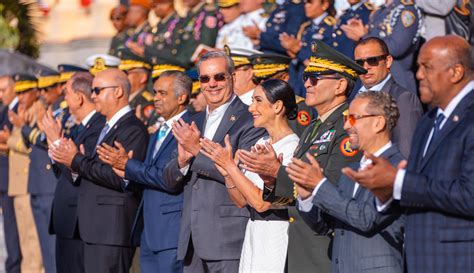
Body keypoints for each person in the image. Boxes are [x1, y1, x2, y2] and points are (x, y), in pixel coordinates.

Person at [342, 35, 474, 273]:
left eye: (427, 67)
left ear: (456, 72)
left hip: (458, 258)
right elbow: (414, 185)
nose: (419, 75)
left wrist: (398, 181)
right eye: (419, 67)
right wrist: (385, 191)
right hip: (419, 257)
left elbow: (470, 194)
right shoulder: (429, 120)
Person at [238, 40, 367, 273]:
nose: (306, 83)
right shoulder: (313, 127)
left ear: (339, 86)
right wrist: (270, 181)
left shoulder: (347, 127)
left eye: (316, 78)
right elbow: (290, 196)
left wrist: (276, 173)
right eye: (307, 76)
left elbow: (331, 188)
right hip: (297, 245)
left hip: (324, 246)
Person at [163, 51, 266, 273]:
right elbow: (170, 178)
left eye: (219, 77)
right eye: (204, 78)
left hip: (227, 237)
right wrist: (182, 162)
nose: (212, 84)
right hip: (192, 240)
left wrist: (195, 151)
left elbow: (241, 177)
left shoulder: (250, 120)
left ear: (232, 77)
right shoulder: (193, 119)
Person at [49, 68, 149, 273]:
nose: (93, 96)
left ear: (118, 92)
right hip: (95, 229)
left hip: (110, 230)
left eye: (97, 90)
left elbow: (120, 177)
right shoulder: (109, 126)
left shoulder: (132, 128)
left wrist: (76, 160)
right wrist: (74, 160)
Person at [293, 91, 404, 273]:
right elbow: (326, 225)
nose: (346, 126)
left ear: (378, 122)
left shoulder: (396, 167)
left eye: (353, 119)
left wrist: (319, 185)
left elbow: (366, 218)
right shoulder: (351, 170)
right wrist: (306, 197)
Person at [96, 71, 192, 273]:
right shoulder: (159, 131)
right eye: (155, 92)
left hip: (171, 232)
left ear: (181, 97)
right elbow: (147, 175)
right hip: (149, 232)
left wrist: (128, 165)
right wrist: (126, 174)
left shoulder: (189, 129)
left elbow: (169, 178)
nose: (156, 98)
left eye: (163, 93)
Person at [200, 79, 299, 273]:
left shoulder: (292, 147)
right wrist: (228, 173)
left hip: (275, 234)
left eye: (258, 101)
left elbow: (262, 203)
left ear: (277, 106)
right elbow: (240, 201)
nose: (251, 107)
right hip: (253, 232)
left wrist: (231, 167)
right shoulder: (261, 143)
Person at [44, 72, 105, 273]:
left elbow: (79, 170)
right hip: (68, 220)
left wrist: (55, 140)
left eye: (67, 93)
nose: (64, 99)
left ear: (79, 97)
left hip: (79, 221)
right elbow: (61, 171)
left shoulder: (97, 126)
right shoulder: (80, 127)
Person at [353, 37, 423, 157]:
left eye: (372, 60)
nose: (365, 67)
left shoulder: (402, 98)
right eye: (359, 63)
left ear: (388, 61)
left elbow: (406, 154)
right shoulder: (355, 99)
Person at [341, 0, 422, 92]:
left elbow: (396, 47)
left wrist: (364, 36)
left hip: (397, 82)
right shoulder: (380, 11)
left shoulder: (406, 10)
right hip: (374, 82)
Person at [7, 74, 44, 273]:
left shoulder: (37, 111)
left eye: (25, 92)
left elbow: (28, 144)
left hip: (29, 181)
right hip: (19, 184)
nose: (20, 97)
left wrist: (9, 139)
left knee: (33, 240)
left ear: (35, 92)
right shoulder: (23, 110)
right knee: (24, 240)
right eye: (18, 92)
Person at [250, 53, 316, 137]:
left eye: (267, 80)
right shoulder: (255, 104)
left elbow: (298, 143)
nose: (261, 84)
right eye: (257, 80)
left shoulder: (298, 105)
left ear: (285, 77)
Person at [279, 0, 337, 96]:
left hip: (317, 80)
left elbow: (326, 57)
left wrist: (297, 50)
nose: (306, 6)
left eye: (310, 2)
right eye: (305, 2)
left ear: (325, 4)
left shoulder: (332, 27)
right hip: (300, 77)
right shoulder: (305, 27)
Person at [0, 75, 22, 273]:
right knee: (9, 229)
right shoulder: (4, 110)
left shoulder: (18, 109)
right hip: (5, 178)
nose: (0, 95)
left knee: (15, 230)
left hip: (12, 178)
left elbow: (15, 141)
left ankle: (14, 267)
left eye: (3, 90)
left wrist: (5, 142)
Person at [117, 48, 156, 125]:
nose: (122, 77)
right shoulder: (122, 98)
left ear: (143, 77)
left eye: (126, 73)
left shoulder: (147, 103)